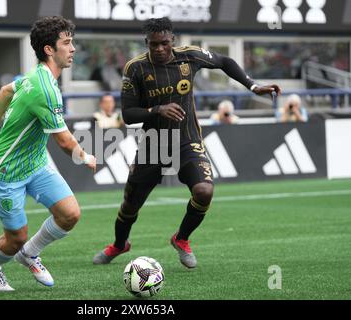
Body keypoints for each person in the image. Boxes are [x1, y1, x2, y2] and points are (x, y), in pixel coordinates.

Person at [93, 17, 281, 268]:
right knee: (130, 203)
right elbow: (128, 115)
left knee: (204, 191)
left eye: (164, 43)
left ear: (173, 40)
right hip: (154, 143)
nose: (159, 49)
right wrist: (158, 109)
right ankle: (119, 244)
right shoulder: (134, 68)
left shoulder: (189, 56)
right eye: (153, 45)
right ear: (146, 43)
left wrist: (253, 85)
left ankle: (181, 239)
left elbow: (224, 61)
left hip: (187, 139)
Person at [0, 16, 96, 291]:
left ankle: (29, 254)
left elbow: (6, 90)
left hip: (35, 163)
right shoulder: (45, 89)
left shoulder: (35, 75)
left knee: (70, 214)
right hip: (6, 171)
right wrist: (86, 157)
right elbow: (64, 141)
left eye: (72, 42)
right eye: (67, 43)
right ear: (49, 50)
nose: (73, 48)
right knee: (15, 237)